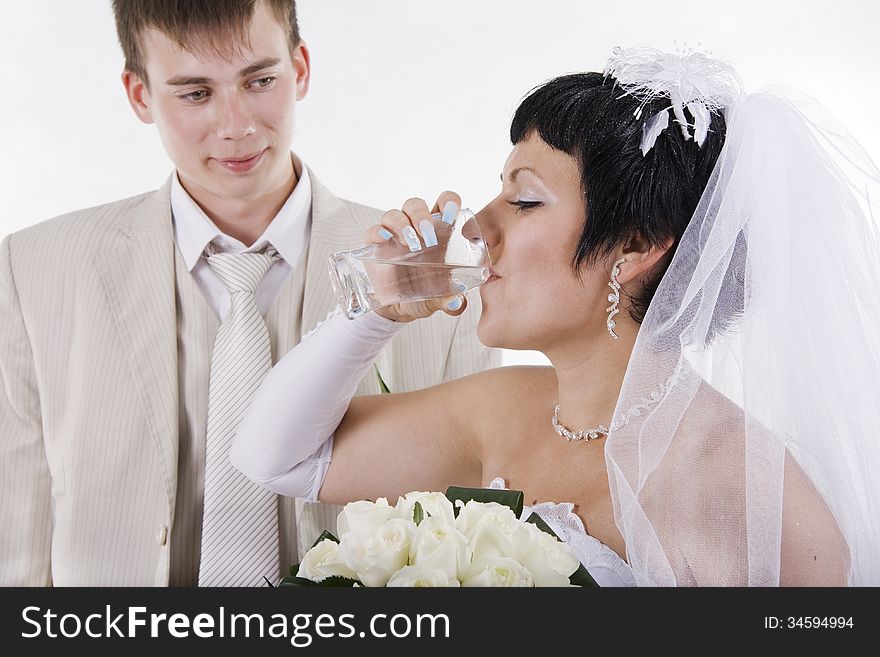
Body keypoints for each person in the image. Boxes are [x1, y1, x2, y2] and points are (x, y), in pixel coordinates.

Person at [234, 46, 880, 586]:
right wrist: (376, 309)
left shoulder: (758, 502)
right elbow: (276, 458)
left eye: (523, 199)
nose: (478, 225)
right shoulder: (506, 407)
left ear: (632, 247)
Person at [0, 0, 497, 587]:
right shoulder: (30, 269)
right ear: (139, 95)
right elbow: (18, 554)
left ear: (301, 69)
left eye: (259, 81)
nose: (235, 125)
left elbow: (475, 537)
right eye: (194, 93)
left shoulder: (440, 275)